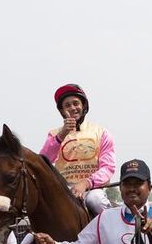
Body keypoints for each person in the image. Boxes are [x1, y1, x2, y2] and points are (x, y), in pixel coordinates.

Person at [39, 83, 115, 216]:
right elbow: (42, 161)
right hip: (63, 191)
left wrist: (86, 183)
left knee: (96, 200)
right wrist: (62, 135)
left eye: (76, 103)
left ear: (83, 106)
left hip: (92, 190)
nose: (73, 108)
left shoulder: (101, 132)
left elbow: (108, 168)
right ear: (62, 111)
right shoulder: (54, 134)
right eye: (67, 105)